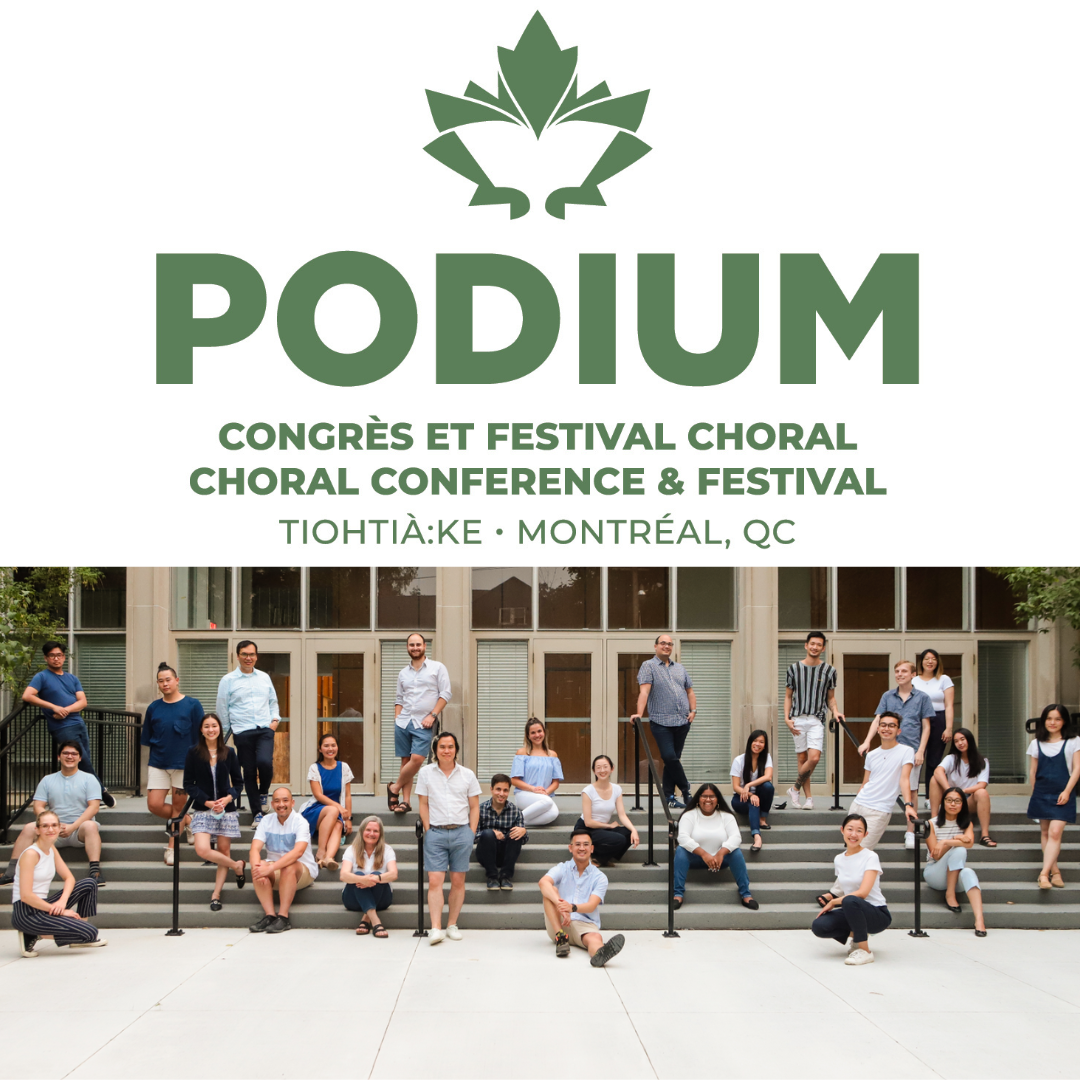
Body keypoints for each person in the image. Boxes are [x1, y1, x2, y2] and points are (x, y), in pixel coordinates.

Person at [21, 641, 115, 807]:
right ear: (46, 658)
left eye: (59, 655)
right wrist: (53, 707)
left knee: (85, 760)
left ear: (64, 657)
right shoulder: (41, 677)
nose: (56, 659)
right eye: (52, 655)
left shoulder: (72, 678)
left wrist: (66, 709)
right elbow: (28, 696)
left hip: (78, 723)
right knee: (82, 759)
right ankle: (101, 793)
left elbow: (83, 701)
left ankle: (92, 795)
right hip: (62, 727)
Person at [1, 740, 105, 887]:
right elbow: (38, 807)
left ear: (80, 758)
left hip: (79, 831)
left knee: (90, 825)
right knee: (29, 827)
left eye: (74, 754)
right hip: (52, 831)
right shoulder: (48, 780)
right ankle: (11, 872)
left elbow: (93, 808)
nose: (70, 756)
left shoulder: (89, 779)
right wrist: (53, 825)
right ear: (59, 757)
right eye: (66, 753)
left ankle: (95, 873)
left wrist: (72, 827)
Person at [858, 661, 936, 848]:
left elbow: (926, 727)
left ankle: (910, 831)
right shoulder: (887, 696)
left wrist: (921, 751)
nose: (900, 674)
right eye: (897, 671)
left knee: (912, 790)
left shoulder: (922, 697)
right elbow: (878, 719)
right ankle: (864, 827)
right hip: (889, 750)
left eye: (904, 671)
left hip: (911, 750)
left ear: (913, 675)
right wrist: (867, 741)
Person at [11, 810, 106, 957]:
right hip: (27, 913)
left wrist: (62, 902)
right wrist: (61, 911)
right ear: (37, 830)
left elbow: (69, 878)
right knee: (90, 932)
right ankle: (31, 934)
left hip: (44, 906)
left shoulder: (51, 849)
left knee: (89, 883)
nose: (50, 829)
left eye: (54, 825)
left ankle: (78, 932)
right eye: (45, 826)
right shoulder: (31, 854)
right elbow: (26, 896)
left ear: (59, 827)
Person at [415, 731, 480, 944]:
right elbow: (423, 803)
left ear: (456, 750)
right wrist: (427, 829)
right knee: (435, 880)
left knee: (458, 880)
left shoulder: (467, 774)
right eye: (442, 746)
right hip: (436, 832)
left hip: (462, 831)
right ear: (435, 750)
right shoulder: (425, 773)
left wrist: (471, 832)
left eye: (450, 746)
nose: (446, 750)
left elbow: (474, 806)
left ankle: (452, 924)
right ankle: (435, 928)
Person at [184, 713, 247, 912]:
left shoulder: (229, 752)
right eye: (207, 726)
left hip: (226, 810)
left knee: (223, 851)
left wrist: (228, 798)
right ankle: (237, 866)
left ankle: (216, 895)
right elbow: (188, 784)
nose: (211, 729)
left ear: (220, 729)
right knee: (202, 849)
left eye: (214, 726)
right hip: (203, 809)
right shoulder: (193, 753)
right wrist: (207, 801)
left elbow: (238, 783)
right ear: (201, 730)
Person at [143, 661, 203, 866]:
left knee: (179, 805)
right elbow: (147, 737)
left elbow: (201, 735)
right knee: (154, 804)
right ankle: (188, 821)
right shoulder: (153, 707)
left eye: (168, 680)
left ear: (176, 680)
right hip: (158, 762)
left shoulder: (193, 705)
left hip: (184, 763)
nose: (165, 684)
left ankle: (172, 847)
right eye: (161, 681)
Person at [538, 829, 626, 966]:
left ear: (592, 849)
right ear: (570, 848)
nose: (581, 848)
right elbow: (543, 882)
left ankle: (599, 954)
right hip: (559, 923)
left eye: (586, 844)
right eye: (577, 844)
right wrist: (561, 907)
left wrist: (571, 908)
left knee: (595, 938)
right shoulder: (562, 868)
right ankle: (561, 938)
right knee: (551, 890)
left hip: (585, 923)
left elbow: (591, 905)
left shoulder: (600, 877)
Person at [216, 639, 281, 825]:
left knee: (264, 763)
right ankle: (257, 814)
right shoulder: (228, 680)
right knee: (249, 772)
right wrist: (230, 729)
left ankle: (263, 793)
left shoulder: (264, 677)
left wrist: (274, 721)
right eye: (244, 654)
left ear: (256, 656)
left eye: (251, 654)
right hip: (242, 731)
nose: (248, 658)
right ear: (237, 656)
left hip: (264, 729)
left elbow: (273, 701)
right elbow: (222, 708)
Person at [812, 814, 890, 965]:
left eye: (859, 831)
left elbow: (863, 893)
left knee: (850, 900)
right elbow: (844, 885)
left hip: (877, 913)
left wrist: (833, 901)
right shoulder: (839, 859)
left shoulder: (870, 857)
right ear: (842, 830)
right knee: (819, 926)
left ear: (865, 834)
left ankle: (865, 951)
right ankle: (858, 935)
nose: (854, 834)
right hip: (852, 909)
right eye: (850, 829)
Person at [631, 633, 697, 809]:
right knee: (668, 756)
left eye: (669, 644)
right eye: (663, 643)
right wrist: (639, 714)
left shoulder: (680, 668)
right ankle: (686, 789)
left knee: (672, 759)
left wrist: (693, 711)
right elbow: (644, 692)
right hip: (661, 722)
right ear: (655, 646)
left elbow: (689, 691)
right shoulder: (648, 666)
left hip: (682, 722)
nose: (666, 646)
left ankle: (669, 797)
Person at [387, 633, 451, 814]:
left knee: (417, 759)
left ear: (424, 646)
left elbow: (445, 694)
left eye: (418, 644)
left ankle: (394, 787)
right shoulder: (403, 673)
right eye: (411, 645)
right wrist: (397, 718)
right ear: (407, 647)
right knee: (406, 761)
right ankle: (405, 802)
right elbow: (399, 698)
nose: (415, 648)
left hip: (424, 723)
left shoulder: (437, 668)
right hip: (403, 722)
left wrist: (433, 715)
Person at [673, 783, 758, 909]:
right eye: (704, 796)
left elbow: (736, 837)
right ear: (698, 799)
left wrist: (721, 853)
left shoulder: (726, 816)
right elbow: (682, 837)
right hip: (696, 859)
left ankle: (746, 895)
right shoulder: (689, 815)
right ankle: (678, 895)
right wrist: (704, 854)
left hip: (720, 861)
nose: (708, 800)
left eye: (712, 796)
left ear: (717, 799)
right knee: (681, 850)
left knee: (736, 852)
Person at [784, 631, 843, 811]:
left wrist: (836, 711)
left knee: (814, 758)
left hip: (817, 719)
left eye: (819, 644)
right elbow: (788, 696)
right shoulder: (793, 669)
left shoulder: (829, 671)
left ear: (823, 648)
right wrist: (786, 719)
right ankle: (808, 798)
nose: (815, 647)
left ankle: (794, 789)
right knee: (802, 758)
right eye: (812, 644)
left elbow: (830, 698)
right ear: (806, 645)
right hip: (797, 718)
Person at [248, 786, 319, 933]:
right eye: (277, 801)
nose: (281, 804)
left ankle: (283, 917)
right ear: (272, 804)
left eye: (285, 800)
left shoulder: (300, 822)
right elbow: (254, 849)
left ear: (292, 803)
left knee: (289, 866)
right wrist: (258, 869)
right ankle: (270, 916)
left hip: (302, 871)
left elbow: (298, 852)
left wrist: (270, 869)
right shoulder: (266, 821)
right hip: (276, 870)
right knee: (258, 865)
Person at [1027, 704, 1080, 890]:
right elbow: (1033, 772)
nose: (1053, 722)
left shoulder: (1074, 741)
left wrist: (1067, 791)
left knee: (1055, 832)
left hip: (1063, 792)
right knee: (1045, 833)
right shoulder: (1036, 743)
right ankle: (1054, 871)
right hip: (1041, 792)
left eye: (1057, 719)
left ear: (1064, 721)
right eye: (1049, 718)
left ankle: (1043, 874)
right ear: (1044, 720)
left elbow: (1077, 769)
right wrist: (1035, 793)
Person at [847, 713, 919, 851]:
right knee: (851, 849)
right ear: (878, 729)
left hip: (880, 810)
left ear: (898, 731)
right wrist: (858, 798)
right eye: (883, 725)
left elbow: (904, 780)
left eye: (892, 725)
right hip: (858, 805)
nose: (887, 728)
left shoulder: (906, 751)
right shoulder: (872, 755)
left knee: (863, 850)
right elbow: (865, 783)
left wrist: (908, 805)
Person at [923, 786, 987, 936]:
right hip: (935, 873)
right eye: (949, 800)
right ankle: (950, 895)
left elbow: (970, 843)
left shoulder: (966, 824)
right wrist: (956, 840)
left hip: (955, 872)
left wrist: (946, 842)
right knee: (959, 850)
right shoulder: (931, 824)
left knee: (969, 872)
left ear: (963, 804)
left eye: (957, 801)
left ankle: (979, 920)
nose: (953, 804)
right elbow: (936, 855)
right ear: (943, 802)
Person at [930, 727, 995, 846]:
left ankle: (985, 835)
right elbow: (938, 771)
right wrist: (949, 790)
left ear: (969, 740)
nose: (960, 743)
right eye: (956, 741)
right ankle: (933, 822)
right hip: (950, 799)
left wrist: (962, 791)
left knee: (982, 793)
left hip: (968, 800)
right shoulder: (951, 758)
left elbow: (982, 784)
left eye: (962, 739)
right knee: (934, 779)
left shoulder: (982, 761)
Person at [299, 733, 354, 869]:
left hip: (335, 812)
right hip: (316, 810)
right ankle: (321, 851)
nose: (330, 749)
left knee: (338, 825)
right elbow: (318, 795)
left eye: (333, 745)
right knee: (333, 810)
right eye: (326, 746)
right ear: (320, 749)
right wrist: (339, 808)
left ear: (337, 747)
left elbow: (347, 795)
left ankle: (328, 858)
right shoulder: (315, 768)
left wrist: (348, 818)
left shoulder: (344, 767)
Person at [575, 755, 639, 866]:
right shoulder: (588, 791)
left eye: (605, 766)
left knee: (628, 834)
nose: (602, 770)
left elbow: (622, 815)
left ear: (612, 768)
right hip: (586, 829)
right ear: (594, 771)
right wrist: (609, 826)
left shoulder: (616, 789)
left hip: (600, 828)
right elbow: (588, 822)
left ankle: (601, 858)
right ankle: (597, 857)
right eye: (598, 767)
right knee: (619, 839)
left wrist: (634, 830)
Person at [340, 815, 398, 937]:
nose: (371, 834)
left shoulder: (387, 850)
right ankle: (376, 921)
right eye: (368, 830)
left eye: (375, 831)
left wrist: (375, 878)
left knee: (377, 874)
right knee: (358, 874)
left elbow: (393, 874)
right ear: (362, 831)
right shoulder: (352, 850)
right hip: (353, 900)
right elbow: (344, 875)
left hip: (382, 899)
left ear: (380, 834)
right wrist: (362, 879)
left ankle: (366, 919)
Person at [912, 648, 955, 808]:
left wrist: (949, 728)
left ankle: (931, 797)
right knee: (916, 758)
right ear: (921, 662)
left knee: (934, 760)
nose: (930, 661)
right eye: (927, 659)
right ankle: (911, 795)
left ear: (938, 662)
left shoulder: (944, 679)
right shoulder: (914, 680)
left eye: (933, 659)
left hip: (939, 719)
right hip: (918, 720)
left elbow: (949, 705)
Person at [474, 773, 529, 890]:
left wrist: (523, 831)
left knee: (516, 833)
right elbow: (472, 836)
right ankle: (492, 877)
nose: (501, 794)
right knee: (488, 833)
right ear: (491, 789)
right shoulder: (480, 809)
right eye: (498, 789)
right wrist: (491, 832)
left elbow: (523, 840)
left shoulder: (515, 811)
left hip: (506, 854)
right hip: (485, 854)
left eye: (505, 790)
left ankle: (505, 877)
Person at [511, 718, 563, 826]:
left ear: (544, 732)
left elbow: (555, 782)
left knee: (554, 813)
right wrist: (533, 789)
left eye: (539, 731)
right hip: (524, 795)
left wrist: (546, 792)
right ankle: (514, 822)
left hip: (544, 796)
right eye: (533, 733)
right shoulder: (522, 753)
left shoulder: (552, 755)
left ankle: (519, 823)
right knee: (548, 802)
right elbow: (514, 780)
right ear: (528, 736)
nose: (537, 735)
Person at [730, 730, 774, 851]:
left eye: (761, 742)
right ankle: (757, 837)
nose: (757, 744)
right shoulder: (739, 760)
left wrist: (748, 785)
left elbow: (768, 777)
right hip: (740, 798)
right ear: (750, 742)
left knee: (768, 787)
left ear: (765, 745)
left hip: (757, 793)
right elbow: (736, 787)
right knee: (754, 802)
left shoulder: (766, 758)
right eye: (755, 741)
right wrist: (749, 795)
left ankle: (762, 818)